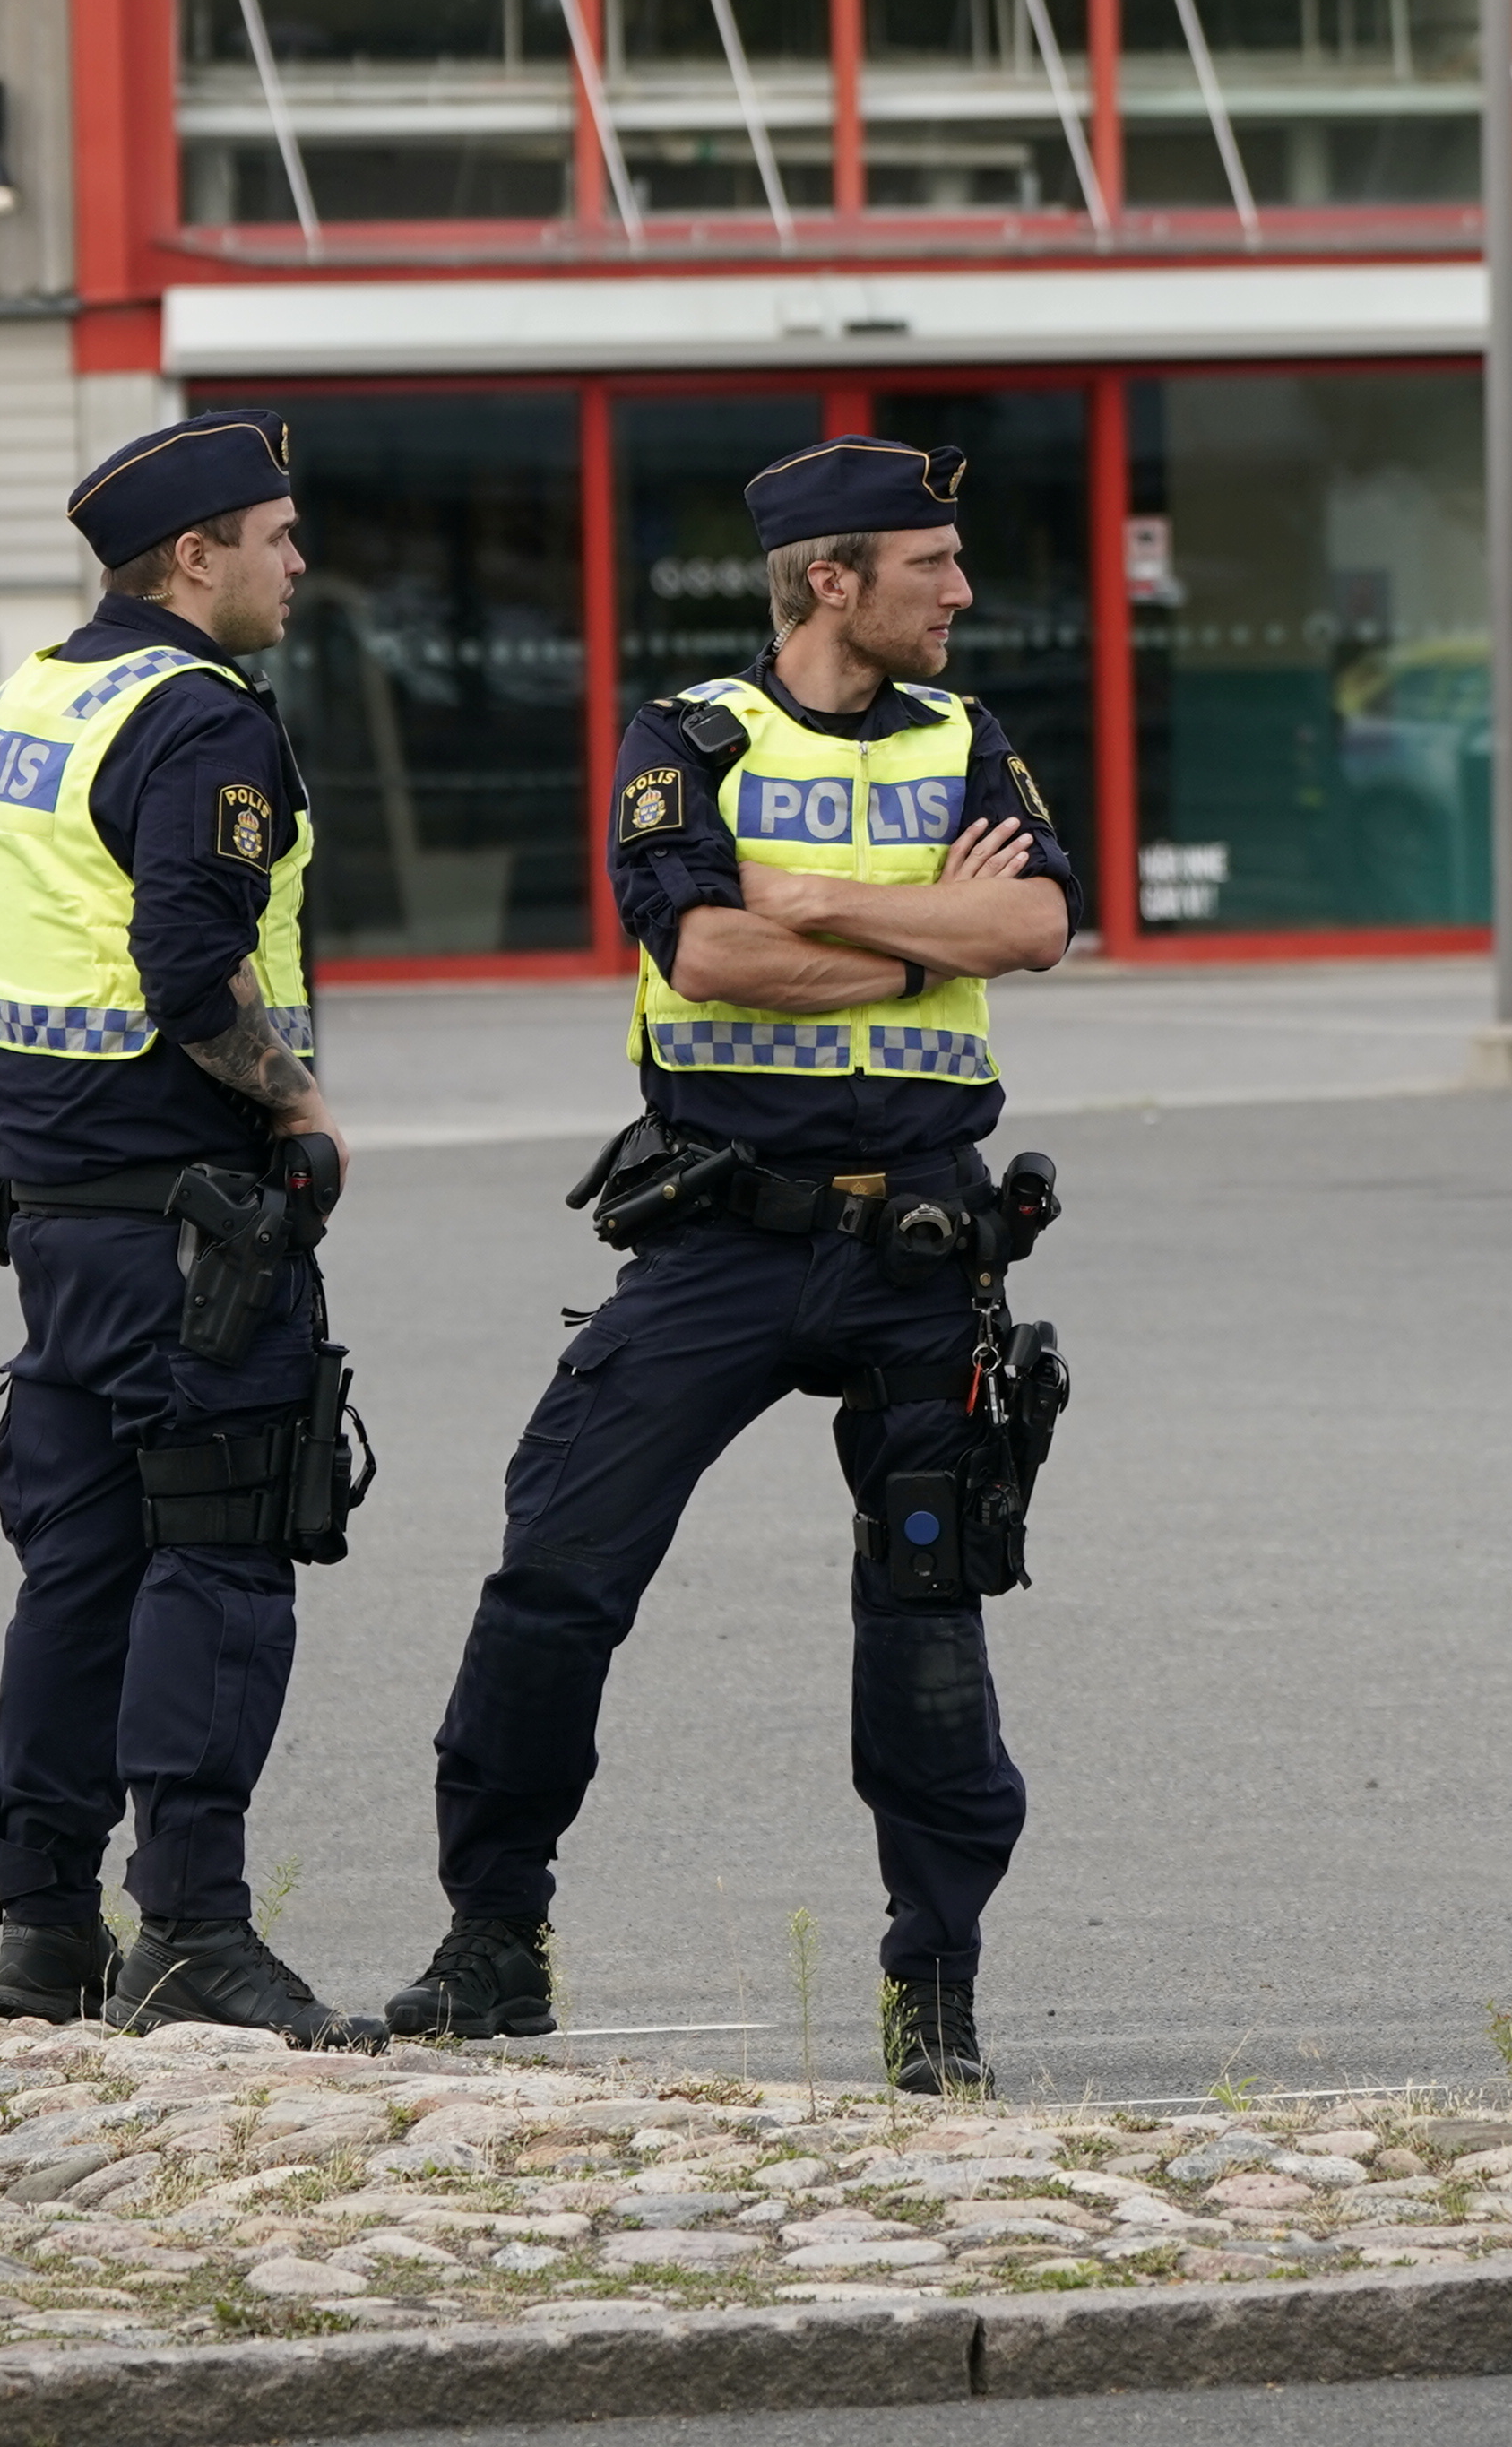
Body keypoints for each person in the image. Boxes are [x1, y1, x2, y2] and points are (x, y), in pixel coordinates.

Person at [386, 437, 1081, 2097]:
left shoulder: (969, 739)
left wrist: (824, 902)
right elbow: (700, 948)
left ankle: (936, 1997)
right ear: (830, 578)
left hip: (923, 1233)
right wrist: (923, 924)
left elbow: (1043, 927)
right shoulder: (690, 737)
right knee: (555, 1573)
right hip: (720, 1234)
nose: (965, 593)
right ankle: (496, 1946)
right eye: (934, 566)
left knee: (930, 1616)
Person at [0, 403, 372, 2045]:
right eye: (277, 537)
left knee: (81, 1573)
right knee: (220, 1561)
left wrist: (53, 1086)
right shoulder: (202, 719)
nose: (298, 562)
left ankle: (44, 1936)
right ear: (196, 557)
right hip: (196, 1228)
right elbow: (190, 964)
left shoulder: (34, 700)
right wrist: (297, 1107)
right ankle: (191, 1929)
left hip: (58, 1216)